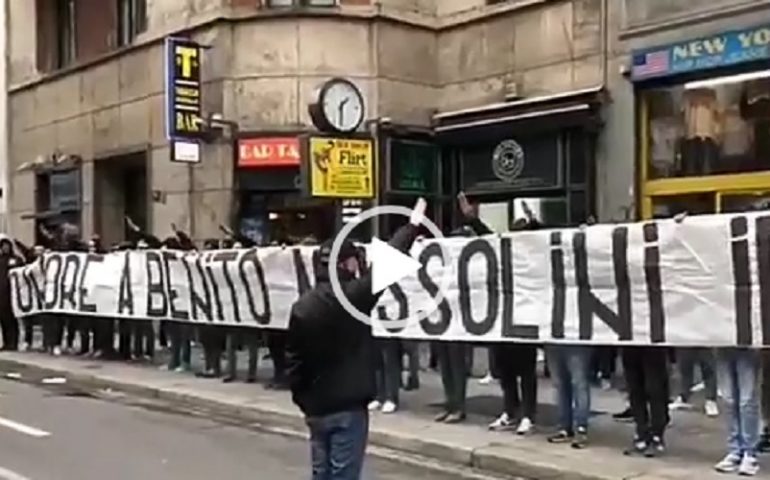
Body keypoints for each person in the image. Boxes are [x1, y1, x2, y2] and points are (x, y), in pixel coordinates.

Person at [286, 198, 424, 480]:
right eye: (353, 260)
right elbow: (389, 263)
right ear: (345, 263)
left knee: (321, 473)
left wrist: (304, 400)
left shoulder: (301, 307)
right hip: (348, 408)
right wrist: (411, 226)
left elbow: (293, 362)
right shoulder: (353, 298)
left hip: (316, 410)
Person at [457, 192, 537, 434]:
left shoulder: (534, 259)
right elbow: (487, 237)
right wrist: (472, 220)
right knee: (506, 372)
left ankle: (528, 415)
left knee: (526, 372)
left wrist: (534, 220)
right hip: (502, 319)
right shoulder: (502, 251)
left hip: (524, 318)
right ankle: (510, 411)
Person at [714, 347, 761, 476]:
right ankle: (735, 450)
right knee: (728, 399)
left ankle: (749, 452)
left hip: (748, 347)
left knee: (747, 400)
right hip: (723, 343)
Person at [0, 235, 22, 351]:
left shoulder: (16, 259)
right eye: (3, 246)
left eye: (7, 246)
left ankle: (14, 342)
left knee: (12, 319)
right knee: (3, 319)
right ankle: (6, 342)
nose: (5, 248)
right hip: (1, 294)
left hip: (13, 293)